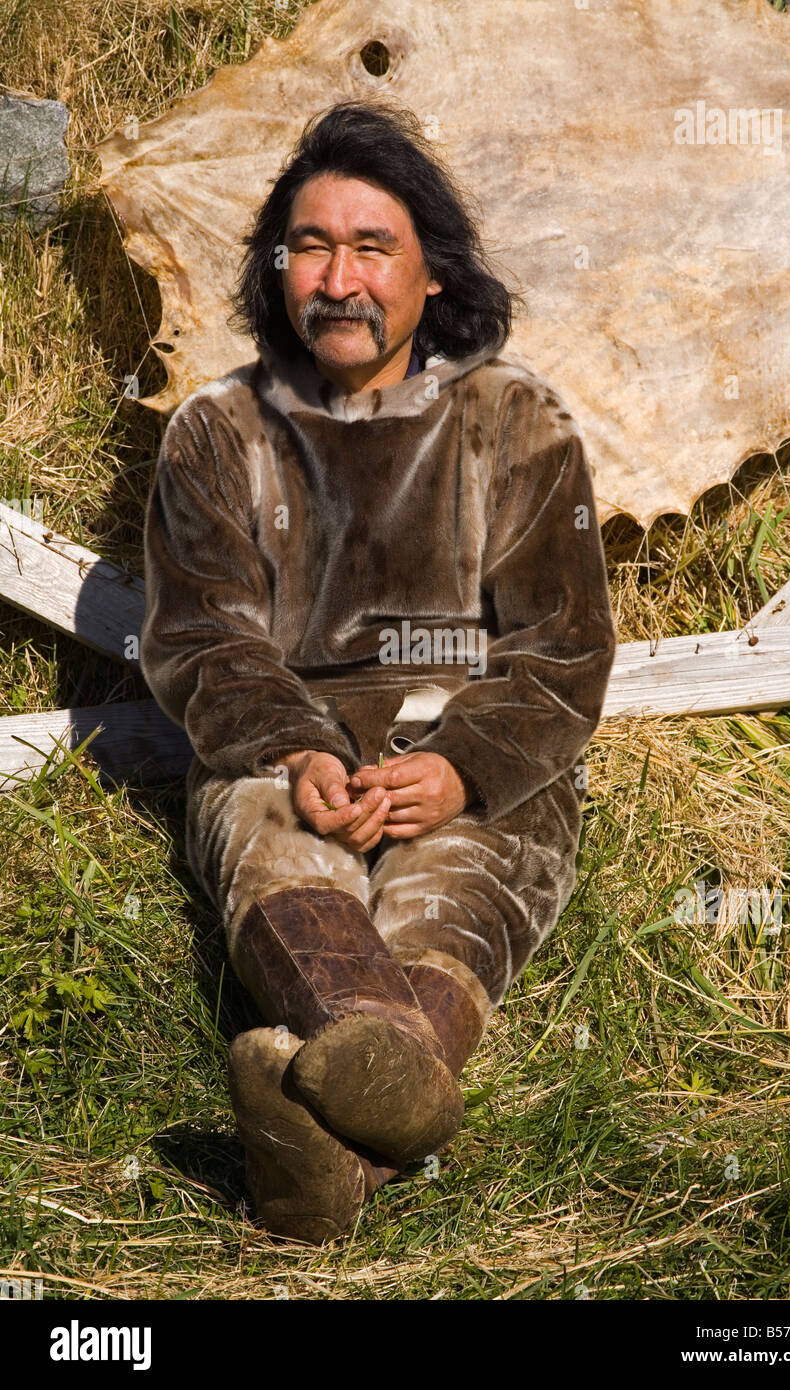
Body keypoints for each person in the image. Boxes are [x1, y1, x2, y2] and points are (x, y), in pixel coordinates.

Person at [139, 100, 617, 1244]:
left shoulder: (512, 421)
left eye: (371, 247)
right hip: (279, 755)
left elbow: (560, 649)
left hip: (479, 763)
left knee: (447, 904)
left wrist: (456, 768)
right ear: (277, 268)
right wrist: (299, 748)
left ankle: (325, 1168)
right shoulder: (216, 431)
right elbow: (202, 635)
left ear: (431, 276)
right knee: (271, 840)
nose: (337, 277)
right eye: (310, 245)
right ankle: (367, 1137)